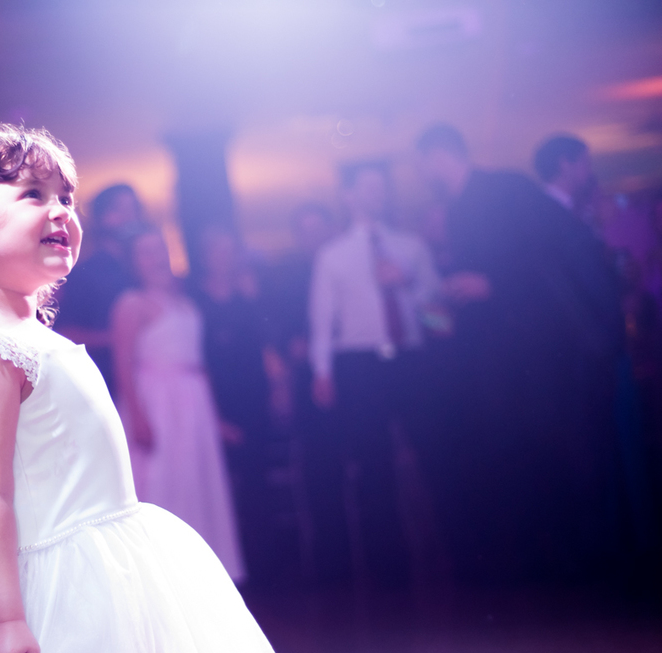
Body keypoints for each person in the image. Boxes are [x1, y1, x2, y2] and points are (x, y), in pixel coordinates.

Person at [0, 124, 346, 653]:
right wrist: (6, 619)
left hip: (116, 558)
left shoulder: (24, 328)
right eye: (32, 194)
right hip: (62, 582)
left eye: (65, 197)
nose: (60, 211)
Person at [417, 124, 623, 580]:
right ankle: (556, 561)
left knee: (562, 452)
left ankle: (588, 562)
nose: (421, 175)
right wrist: (440, 308)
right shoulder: (457, 213)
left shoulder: (502, 190)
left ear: (436, 156)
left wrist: (492, 285)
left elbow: (550, 258)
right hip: (502, 363)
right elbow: (449, 315)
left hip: (540, 355)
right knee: (532, 456)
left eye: (421, 164)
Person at [308, 161, 441, 586]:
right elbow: (321, 322)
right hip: (359, 364)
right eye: (367, 188)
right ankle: (389, 569)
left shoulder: (412, 247)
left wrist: (409, 283)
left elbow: (439, 318)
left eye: (381, 187)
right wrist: (323, 372)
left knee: (433, 453)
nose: (376, 195)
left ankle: (450, 554)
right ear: (348, 196)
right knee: (372, 462)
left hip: (412, 360)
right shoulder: (332, 255)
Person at [113, 226, 246, 582]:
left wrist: (214, 418)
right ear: (134, 262)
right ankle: (162, 577)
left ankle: (201, 576)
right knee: (164, 481)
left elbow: (198, 363)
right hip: (158, 402)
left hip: (194, 403)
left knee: (196, 483)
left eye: (159, 249)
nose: (156, 258)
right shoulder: (132, 303)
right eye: (145, 252)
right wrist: (137, 416)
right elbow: (123, 363)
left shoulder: (186, 302)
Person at [192, 223, 276, 579]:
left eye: (229, 251)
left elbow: (265, 350)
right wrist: (215, 416)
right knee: (221, 488)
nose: (223, 258)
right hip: (213, 404)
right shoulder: (193, 301)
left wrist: (278, 390)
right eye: (216, 251)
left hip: (254, 400)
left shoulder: (249, 299)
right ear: (205, 256)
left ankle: (262, 569)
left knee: (258, 482)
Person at [53, 183, 144, 394]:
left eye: (133, 208)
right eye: (120, 209)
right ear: (102, 217)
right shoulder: (85, 274)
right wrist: (119, 337)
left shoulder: (138, 269)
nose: (130, 216)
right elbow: (65, 332)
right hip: (108, 381)